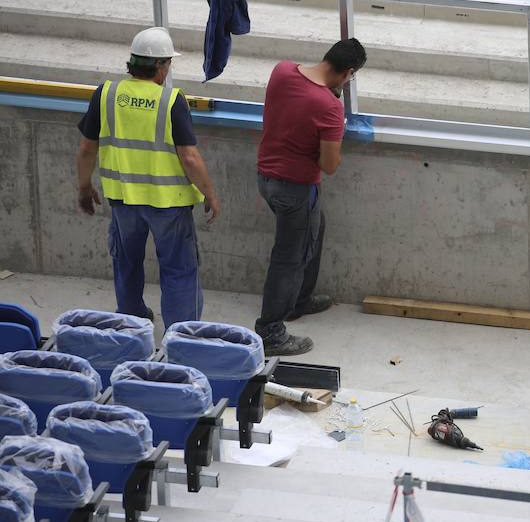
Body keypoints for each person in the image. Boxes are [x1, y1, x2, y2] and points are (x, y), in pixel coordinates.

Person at [74, 27, 220, 327]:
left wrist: (84, 186)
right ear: (160, 66)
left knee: (126, 263)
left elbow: (88, 148)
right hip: (168, 204)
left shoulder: (106, 94)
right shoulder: (171, 101)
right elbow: (189, 157)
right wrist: (210, 194)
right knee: (179, 270)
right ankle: (182, 334)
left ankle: (131, 325)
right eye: (168, 63)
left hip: (124, 201)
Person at [255, 38, 367, 356]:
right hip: (295, 188)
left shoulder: (282, 71)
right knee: (289, 259)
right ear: (347, 73)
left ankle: (299, 300)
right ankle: (271, 331)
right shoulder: (330, 108)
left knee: (315, 229)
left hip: (266, 178)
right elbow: (329, 165)